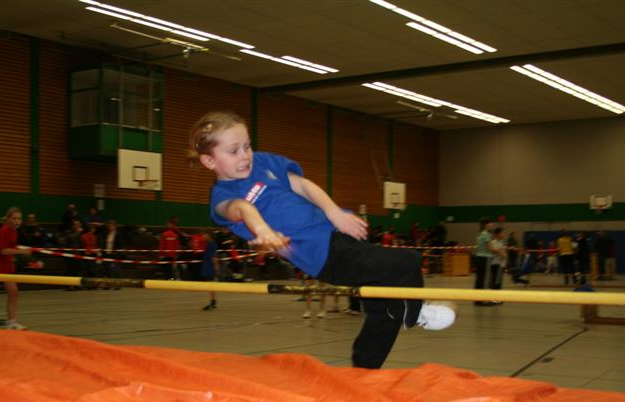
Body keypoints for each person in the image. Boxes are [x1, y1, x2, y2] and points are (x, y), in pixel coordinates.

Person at [190, 111, 455, 369]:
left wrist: (334, 212)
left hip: (337, 232)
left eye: (247, 146)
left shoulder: (263, 162)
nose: (245, 155)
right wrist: (264, 231)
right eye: (233, 151)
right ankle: (415, 312)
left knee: (382, 299)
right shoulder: (222, 198)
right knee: (406, 262)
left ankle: (364, 368)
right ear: (209, 161)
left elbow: (303, 185)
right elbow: (242, 208)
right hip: (323, 254)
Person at [473, 217, 494, 306]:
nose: (492, 225)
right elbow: (490, 248)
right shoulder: (486, 234)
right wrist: (499, 251)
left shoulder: (480, 233)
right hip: (485, 258)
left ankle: (477, 300)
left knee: (479, 279)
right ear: (486, 225)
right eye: (490, 223)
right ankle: (483, 300)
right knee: (485, 280)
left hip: (479, 257)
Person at [201, 230, 220, 310]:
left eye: (204, 234)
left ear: (209, 235)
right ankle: (213, 302)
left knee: (211, 284)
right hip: (208, 266)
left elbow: (213, 257)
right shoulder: (209, 243)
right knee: (210, 285)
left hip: (210, 266)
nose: (203, 236)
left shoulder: (211, 244)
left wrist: (216, 267)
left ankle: (213, 303)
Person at [488, 228, 507, 300]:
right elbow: (496, 251)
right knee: (495, 282)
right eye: (502, 233)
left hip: (501, 264)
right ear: (497, 234)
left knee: (499, 282)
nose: (503, 235)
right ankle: (494, 299)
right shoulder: (494, 242)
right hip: (496, 264)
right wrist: (502, 254)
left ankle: (497, 298)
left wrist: (504, 256)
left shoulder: (502, 242)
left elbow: (503, 252)